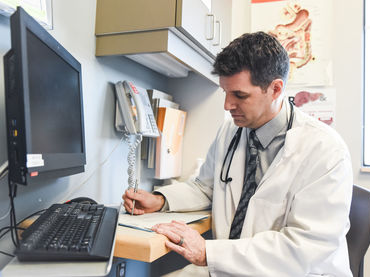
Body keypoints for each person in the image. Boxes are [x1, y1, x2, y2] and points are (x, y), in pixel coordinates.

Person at [122, 32, 353, 277]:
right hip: (231, 267)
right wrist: (160, 200)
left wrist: (207, 253)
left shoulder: (325, 150)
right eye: (225, 92)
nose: (227, 105)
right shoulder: (231, 131)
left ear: (275, 89)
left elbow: (305, 249)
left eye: (239, 95)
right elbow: (205, 187)